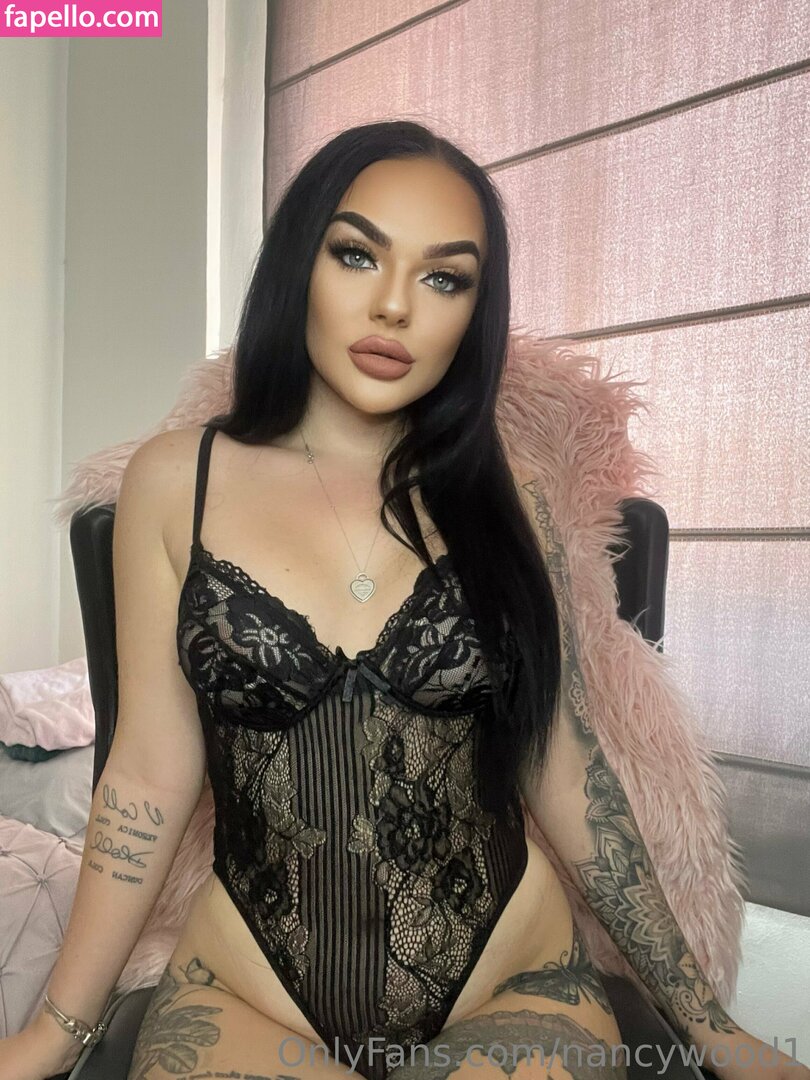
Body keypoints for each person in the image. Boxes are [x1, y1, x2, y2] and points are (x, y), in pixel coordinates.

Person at [1, 121, 804, 1080]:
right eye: (357, 254)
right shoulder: (176, 482)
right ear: (299, 263)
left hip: (508, 984)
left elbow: (562, 764)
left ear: (474, 311)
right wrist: (54, 1031)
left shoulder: (515, 500)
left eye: (444, 277)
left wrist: (712, 1028)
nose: (394, 305)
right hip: (248, 992)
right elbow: (146, 775)